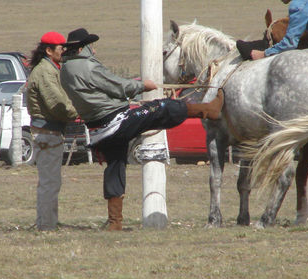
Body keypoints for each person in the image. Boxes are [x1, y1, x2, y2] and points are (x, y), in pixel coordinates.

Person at [60, 28, 224, 231]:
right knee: (161, 107)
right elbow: (116, 85)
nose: (93, 50)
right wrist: (141, 86)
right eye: (90, 46)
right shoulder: (87, 66)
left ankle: (115, 222)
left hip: (98, 130)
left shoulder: (65, 71)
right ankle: (209, 110)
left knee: (115, 166)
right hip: (115, 121)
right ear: (82, 47)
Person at [26, 31, 78, 231]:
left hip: (47, 132)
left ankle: (47, 222)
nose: (63, 51)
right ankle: (46, 225)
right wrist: (75, 113)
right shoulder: (46, 72)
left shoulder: (46, 69)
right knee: (50, 182)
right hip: (48, 132)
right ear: (49, 50)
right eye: (60, 48)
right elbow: (57, 102)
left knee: (50, 181)